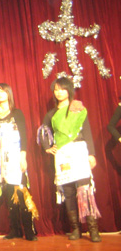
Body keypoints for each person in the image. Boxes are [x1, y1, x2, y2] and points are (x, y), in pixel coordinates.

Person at [38, 77, 101, 242]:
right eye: (56, 90)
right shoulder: (52, 114)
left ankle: (93, 229)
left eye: (62, 89)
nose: (59, 92)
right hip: (62, 154)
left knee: (84, 189)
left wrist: (91, 154)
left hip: (79, 150)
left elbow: (86, 130)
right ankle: (75, 229)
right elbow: (43, 131)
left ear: (69, 90)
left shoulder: (77, 108)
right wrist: (47, 147)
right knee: (69, 192)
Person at [0, 83, 37, 241]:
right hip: (1, 161)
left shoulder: (16, 113)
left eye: (2, 92)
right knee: (8, 196)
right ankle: (15, 230)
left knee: (21, 193)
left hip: (15, 158)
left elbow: (24, 136)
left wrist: (23, 157)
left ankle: (29, 230)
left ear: (9, 94)